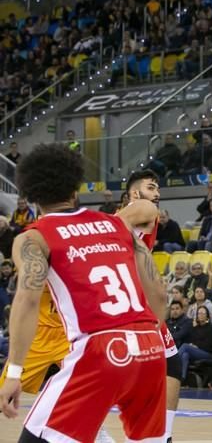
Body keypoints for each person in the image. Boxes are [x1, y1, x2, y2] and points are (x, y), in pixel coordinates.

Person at [0, 144, 167, 441]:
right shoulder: (117, 224)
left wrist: (14, 372)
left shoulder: (34, 238)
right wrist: (143, 339)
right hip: (151, 347)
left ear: (29, 195)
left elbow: (26, 301)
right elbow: (159, 295)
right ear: (76, 187)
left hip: (99, 349)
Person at [125, 169, 182, 442]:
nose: (157, 193)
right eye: (151, 187)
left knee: (170, 365)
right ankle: (158, 435)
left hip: (142, 304)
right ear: (135, 194)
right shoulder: (143, 209)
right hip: (133, 306)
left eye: (158, 188)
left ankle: (162, 435)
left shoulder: (144, 215)